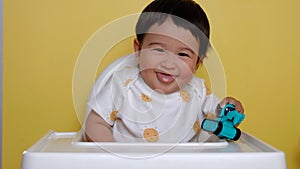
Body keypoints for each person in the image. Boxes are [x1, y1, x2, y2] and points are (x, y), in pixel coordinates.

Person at [84, 0, 244, 142]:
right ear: (138, 51)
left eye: (183, 54)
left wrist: (230, 109)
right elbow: (94, 124)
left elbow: (221, 118)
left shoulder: (199, 92)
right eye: (159, 50)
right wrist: (114, 156)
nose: (169, 64)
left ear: (197, 63)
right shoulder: (122, 84)